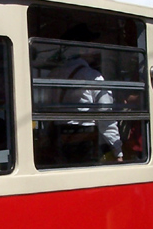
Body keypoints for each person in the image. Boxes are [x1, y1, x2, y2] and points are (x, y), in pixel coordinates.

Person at [49, 24, 123, 163]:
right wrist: (117, 149)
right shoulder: (92, 76)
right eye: (91, 45)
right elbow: (105, 116)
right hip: (83, 139)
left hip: (59, 136)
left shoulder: (53, 73)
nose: (95, 49)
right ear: (83, 48)